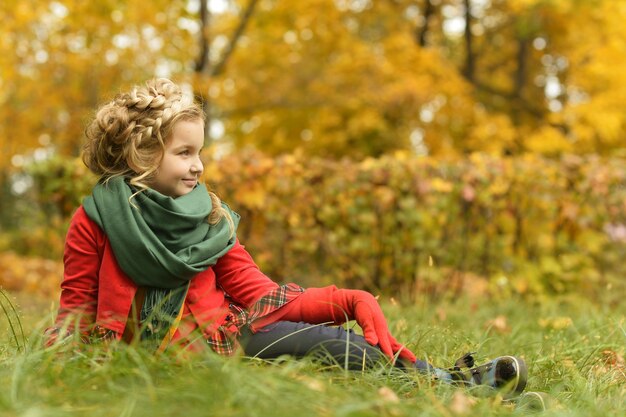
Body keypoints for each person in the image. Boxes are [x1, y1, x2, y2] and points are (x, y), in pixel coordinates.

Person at [45, 78, 527, 397]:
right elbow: (76, 310)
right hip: (149, 363)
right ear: (141, 154)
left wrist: (346, 299)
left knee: (339, 346)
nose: (199, 165)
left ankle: (455, 383)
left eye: (201, 152)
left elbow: (257, 292)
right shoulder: (96, 221)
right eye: (184, 152)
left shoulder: (208, 215)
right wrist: (61, 375)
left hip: (225, 341)